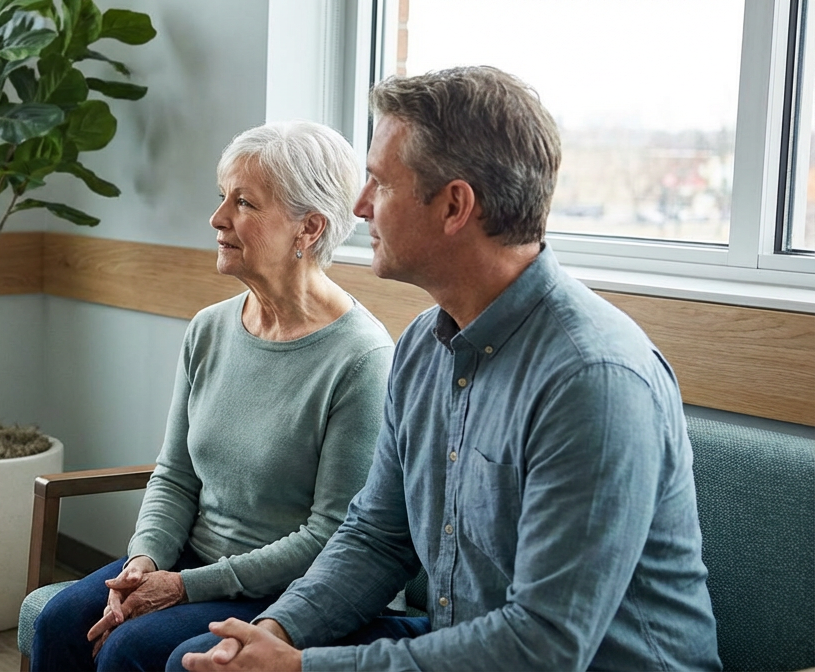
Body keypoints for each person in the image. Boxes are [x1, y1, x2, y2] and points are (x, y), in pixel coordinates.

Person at [177, 66, 721, 672]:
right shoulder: (422, 347)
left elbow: (543, 645)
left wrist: (304, 667)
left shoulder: (593, 379)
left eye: (380, 185)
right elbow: (376, 537)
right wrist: (275, 630)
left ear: (455, 206)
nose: (360, 207)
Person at [30, 120, 395, 672]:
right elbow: (175, 474)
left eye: (244, 203)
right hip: (186, 560)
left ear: (309, 228)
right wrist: (142, 561)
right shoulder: (209, 328)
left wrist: (182, 586)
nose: (217, 218)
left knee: (128, 650)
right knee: (59, 623)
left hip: (279, 592)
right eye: (222, 197)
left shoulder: (361, 359)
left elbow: (331, 537)